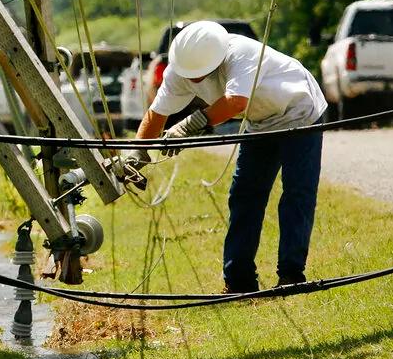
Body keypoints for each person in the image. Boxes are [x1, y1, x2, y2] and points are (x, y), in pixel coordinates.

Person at [128, 21, 327, 293]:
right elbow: (157, 113)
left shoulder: (241, 52)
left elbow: (235, 102)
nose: (194, 81)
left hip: (299, 111)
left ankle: (291, 276)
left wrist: (187, 126)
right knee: (244, 195)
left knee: (297, 193)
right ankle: (239, 281)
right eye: (190, 75)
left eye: (200, 75)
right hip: (259, 123)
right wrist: (137, 152)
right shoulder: (181, 69)